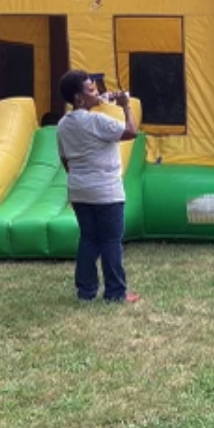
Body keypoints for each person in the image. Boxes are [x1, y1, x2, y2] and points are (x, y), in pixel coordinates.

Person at [57, 70, 139, 303]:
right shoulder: (97, 121)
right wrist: (126, 105)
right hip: (106, 191)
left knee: (89, 239)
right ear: (78, 98)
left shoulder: (63, 124)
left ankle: (86, 291)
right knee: (111, 242)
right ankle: (115, 293)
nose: (98, 93)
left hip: (79, 190)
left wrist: (81, 179)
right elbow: (131, 131)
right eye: (91, 90)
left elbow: (65, 159)